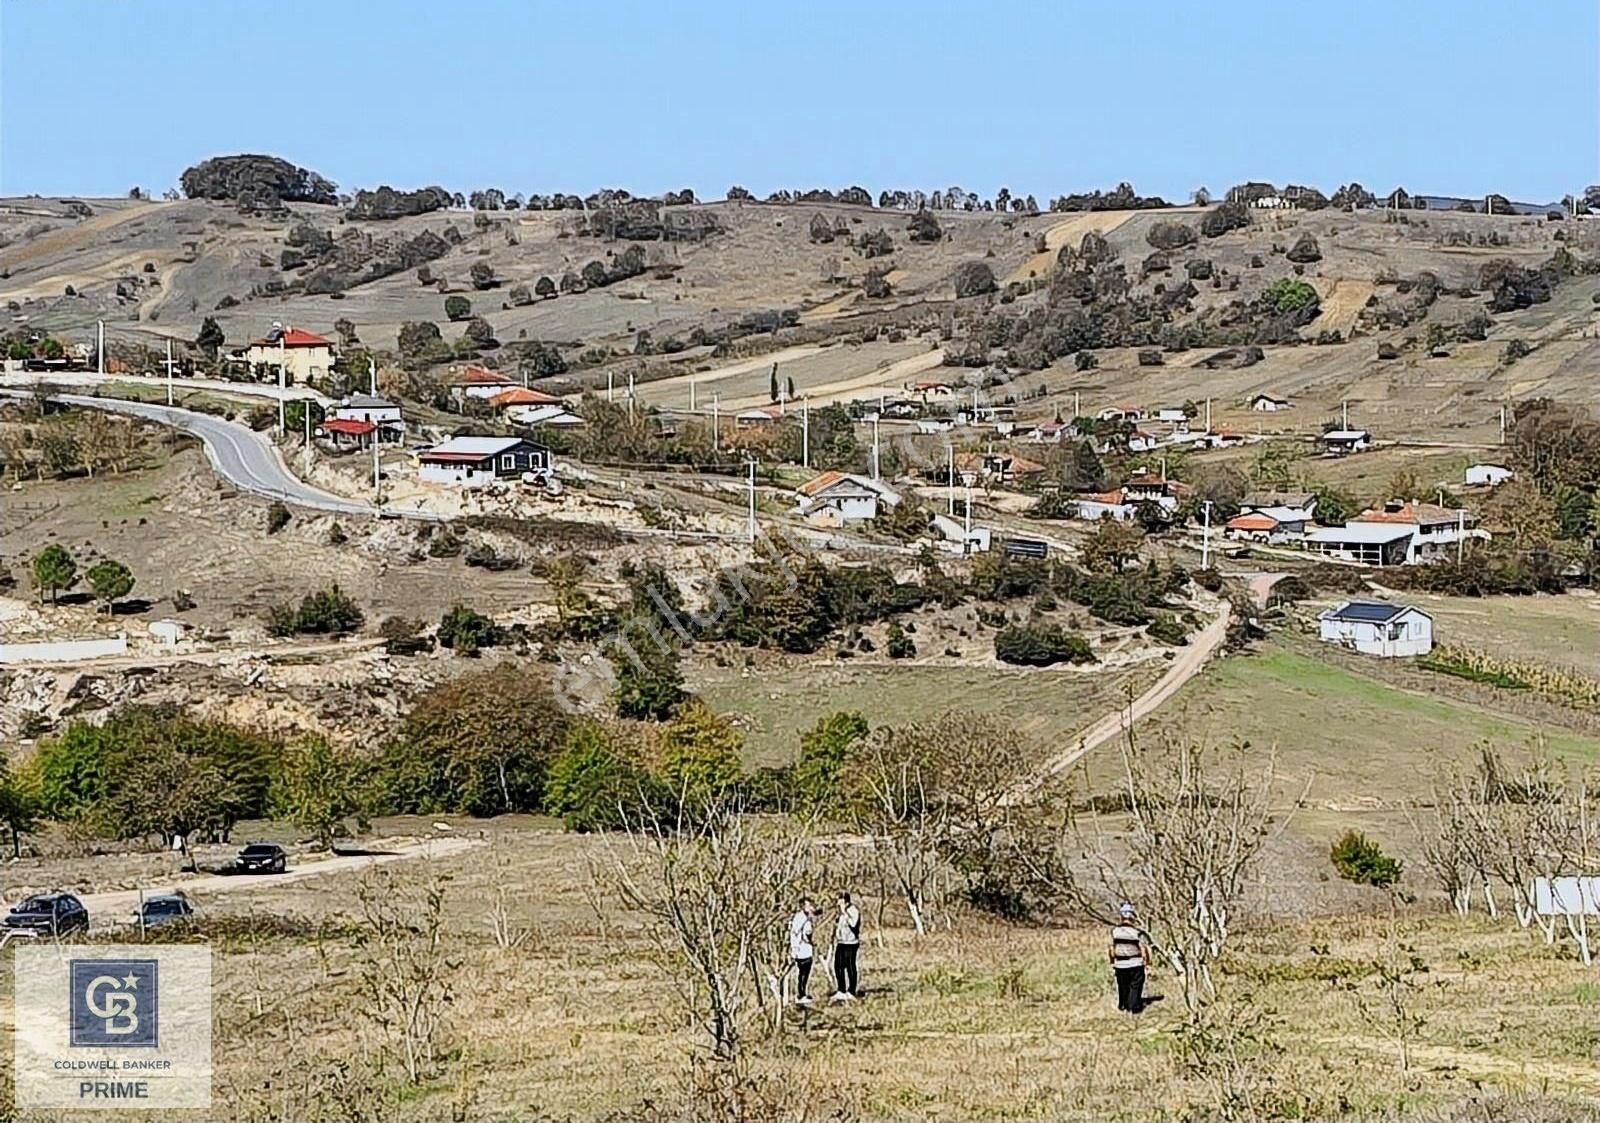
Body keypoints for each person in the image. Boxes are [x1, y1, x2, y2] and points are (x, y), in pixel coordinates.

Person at [1109, 902, 1149, 1014]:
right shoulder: (1137, 932)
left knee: (1122, 985)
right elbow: (1143, 949)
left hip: (1120, 963)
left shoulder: (1114, 931)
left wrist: (1112, 961)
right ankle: (1134, 1007)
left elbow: (1111, 949)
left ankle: (1123, 1005)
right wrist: (1146, 962)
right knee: (1135, 985)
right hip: (1136, 962)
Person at [831, 891, 862, 1000]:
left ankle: (852, 991)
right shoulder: (839, 912)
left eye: (840, 900)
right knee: (838, 966)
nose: (838, 903)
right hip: (841, 942)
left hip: (851, 943)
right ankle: (841, 989)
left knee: (850, 966)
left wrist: (845, 913)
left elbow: (853, 924)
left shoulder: (853, 911)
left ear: (846, 901)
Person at [789, 897, 816, 1005]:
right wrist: (810, 941)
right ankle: (801, 994)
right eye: (808, 905)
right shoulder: (803, 918)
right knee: (804, 973)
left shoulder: (799, 917)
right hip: (803, 948)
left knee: (802, 973)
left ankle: (802, 993)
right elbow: (807, 933)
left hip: (799, 948)